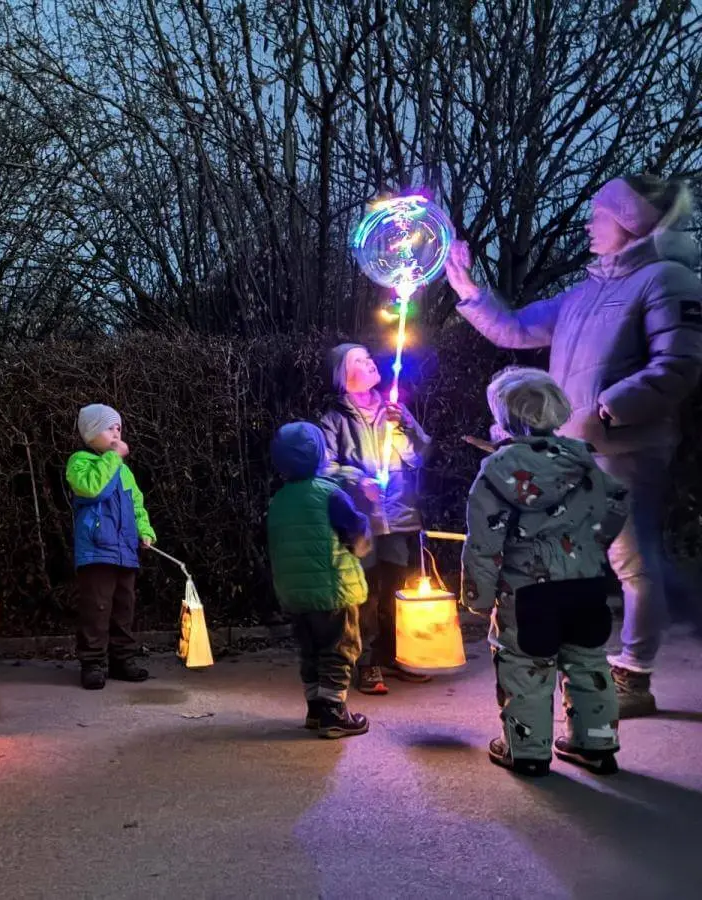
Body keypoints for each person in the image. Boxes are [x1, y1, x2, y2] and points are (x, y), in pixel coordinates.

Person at [446, 174, 702, 718]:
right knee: (577, 561)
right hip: (573, 454)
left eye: (598, 214)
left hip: (625, 451)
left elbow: (678, 365)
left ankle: (634, 673)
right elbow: (513, 328)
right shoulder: (583, 294)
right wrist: (467, 287)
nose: (588, 222)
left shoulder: (667, 280)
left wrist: (608, 409)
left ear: (628, 223)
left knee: (632, 561)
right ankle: (590, 650)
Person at [462, 368, 629, 777]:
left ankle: (528, 751)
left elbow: (484, 542)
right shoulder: (583, 458)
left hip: (529, 593)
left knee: (525, 667)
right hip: (586, 585)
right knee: (590, 662)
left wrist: (478, 597)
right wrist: (594, 548)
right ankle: (596, 745)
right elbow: (617, 503)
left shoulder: (498, 470)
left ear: (504, 417)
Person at [319, 343, 433, 695]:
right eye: (359, 360)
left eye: (370, 357)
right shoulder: (334, 419)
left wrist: (406, 429)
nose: (370, 363)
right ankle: (366, 662)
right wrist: (358, 480)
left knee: (397, 589)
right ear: (342, 374)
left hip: (398, 515)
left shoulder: (394, 408)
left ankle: (397, 655)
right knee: (364, 592)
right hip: (361, 519)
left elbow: (420, 457)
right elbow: (325, 467)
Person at [267, 421, 373, 738]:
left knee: (310, 650)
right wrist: (364, 536)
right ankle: (333, 713)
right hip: (333, 591)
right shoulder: (330, 494)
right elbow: (356, 534)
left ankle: (315, 708)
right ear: (317, 456)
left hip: (295, 594)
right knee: (339, 649)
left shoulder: (279, 501)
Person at [67, 403, 157, 690]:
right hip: (96, 551)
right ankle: (93, 662)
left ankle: (122, 659)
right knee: (97, 607)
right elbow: (94, 489)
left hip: (125, 551)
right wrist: (113, 458)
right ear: (92, 433)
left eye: (118, 427)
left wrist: (144, 531)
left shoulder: (124, 471)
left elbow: (136, 504)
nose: (116, 432)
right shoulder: (80, 462)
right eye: (109, 427)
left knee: (123, 607)